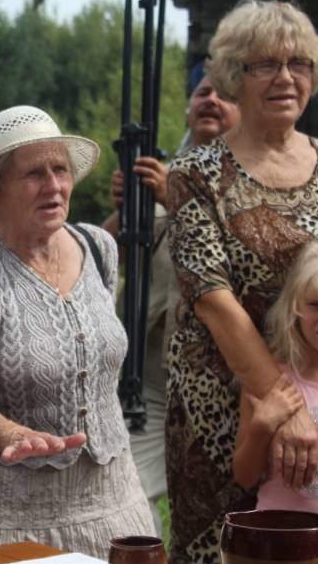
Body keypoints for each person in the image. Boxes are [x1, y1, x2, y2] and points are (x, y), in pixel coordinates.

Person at [165, 0, 318, 564]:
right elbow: (212, 296)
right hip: (222, 405)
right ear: (233, 78)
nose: (285, 77)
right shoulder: (194, 173)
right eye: (265, 64)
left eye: (298, 63)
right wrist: (284, 404)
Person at [0, 105, 155, 559]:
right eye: (34, 174)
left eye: (61, 170)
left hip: (111, 500)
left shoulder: (99, 247)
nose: (54, 186)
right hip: (4, 514)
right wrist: (12, 435)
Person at [101, 66, 241, 535]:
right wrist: (127, 211)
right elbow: (104, 259)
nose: (211, 100)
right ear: (187, 107)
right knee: (128, 500)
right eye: (203, 91)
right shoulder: (165, 169)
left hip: (226, 369)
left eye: (224, 95)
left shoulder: (251, 179)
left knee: (216, 513)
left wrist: (173, 198)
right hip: (153, 372)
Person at [233, 237, 318, 550]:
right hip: (277, 541)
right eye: (315, 304)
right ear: (296, 305)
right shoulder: (272, 380)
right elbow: (244, 476)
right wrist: (262, 427)